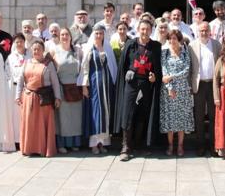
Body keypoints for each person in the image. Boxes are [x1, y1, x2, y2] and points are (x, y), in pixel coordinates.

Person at [113, 19, 162, 161]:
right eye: (142, 29)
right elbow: (124, 64)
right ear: (138, 30)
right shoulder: (130, 44)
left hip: (147, 84)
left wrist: (155, 77)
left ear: (151, 30)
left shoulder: (156, 46)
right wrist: (129, 70)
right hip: (132, 84)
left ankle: (139, 144)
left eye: (147, 29)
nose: (145, 32)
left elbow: (158, 68)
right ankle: (126, 146)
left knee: (143, 113)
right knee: (127, 113)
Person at [16, 40, 62, 157]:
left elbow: (55, 82)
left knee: (42, 125)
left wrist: (57, 97)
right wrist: (18, 96)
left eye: (38, 49)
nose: (36, 51)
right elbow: (21, 80)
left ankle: (42, 149)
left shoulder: (48, 64)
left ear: (43, 51)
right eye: (34, 49)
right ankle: (29, 148)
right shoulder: (26, 63)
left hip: (44, 98)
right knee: (30, 124)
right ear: (32, 50)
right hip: (28, 98)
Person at [81, 24, 118, 154]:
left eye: (101, 33)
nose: (99, 36)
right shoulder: (89, 48)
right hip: (94, 84)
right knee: (96, 111)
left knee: (106, 111)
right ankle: (94, 143)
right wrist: (84, 86)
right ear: (93, 34)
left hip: (106, 85)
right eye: (96, 33)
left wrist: (114, 82)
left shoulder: (107, 47)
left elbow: (112, 65)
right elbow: (85, 68)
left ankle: (103, 142)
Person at [189, 21, 222, 157]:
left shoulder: (216, 45)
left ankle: (214, 145)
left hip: (213, 84)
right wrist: (190, 85)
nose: (204, 33)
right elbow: (190, 66)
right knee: (199, 117)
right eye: (201, 31)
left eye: (206, 30)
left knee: (214, 116)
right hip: (199, 85)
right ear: (198, 32)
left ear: (210, 31)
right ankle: (200, 146)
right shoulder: (192, 46)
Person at [160, 30, 194, 157]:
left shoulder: (185, 53)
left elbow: (186, 71)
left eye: (174, 38)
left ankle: (180, 146)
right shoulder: (165, 53)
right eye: (169, 39)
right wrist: (169, 87)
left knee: (181, 119)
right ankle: (170, 145)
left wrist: (171, 77)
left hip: (183, 90)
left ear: (179, 40)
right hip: (168, 91)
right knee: (170, 120)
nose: (171, 41)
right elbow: (164, 73)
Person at [53, 28, 83, 153]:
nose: (64, 37)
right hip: (61, 87)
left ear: (71, 37)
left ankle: (75, 143)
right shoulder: (54, 51)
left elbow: (83, 68)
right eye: (62, 35)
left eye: (66, 34)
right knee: (62, 118)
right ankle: (62, 144)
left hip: (75, 87)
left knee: (76, 117)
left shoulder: (77, 50)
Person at [5, 33, 29, 147]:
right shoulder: (11, 57)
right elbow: (7, 74)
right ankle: (16, 140)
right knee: (16, 116)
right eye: (17, 42)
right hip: (14, 89)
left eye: (21, 41)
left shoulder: (31, 55)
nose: (19, 44)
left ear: (24, 42)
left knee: (26, 115)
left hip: (28, 89)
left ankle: (26, 139)